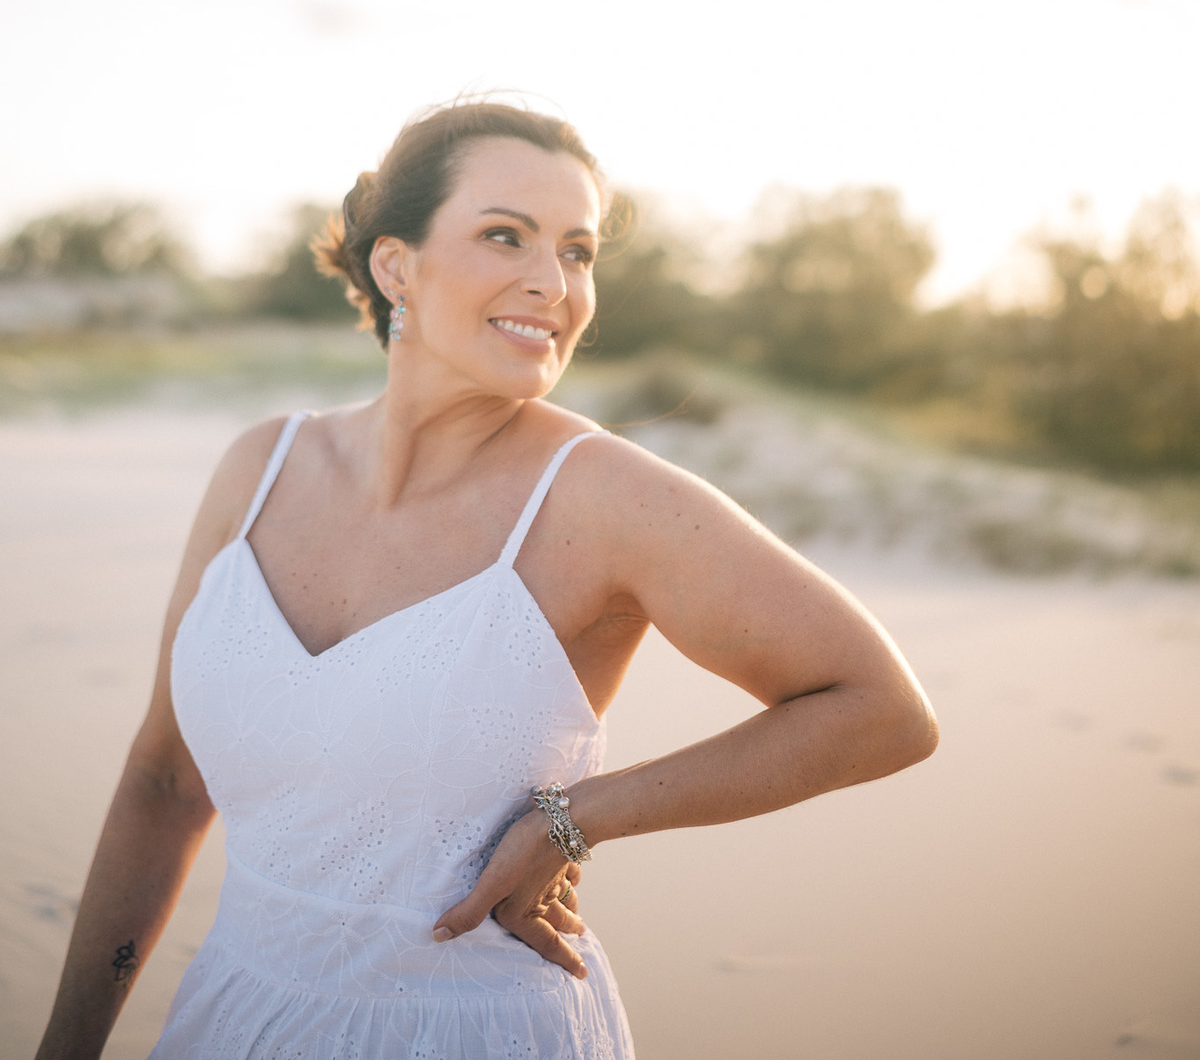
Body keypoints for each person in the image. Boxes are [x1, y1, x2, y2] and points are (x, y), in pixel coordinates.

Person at [36, 100, 938, 1060]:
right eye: (505, 235)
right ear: (396, 267)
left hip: (475, 1030)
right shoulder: (258, 469)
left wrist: (584, 815)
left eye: (579, 251)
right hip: (231, 1018)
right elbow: (165, 778)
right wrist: (69, 1042)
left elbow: (881, 708)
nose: (551, 282)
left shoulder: (603, 498)